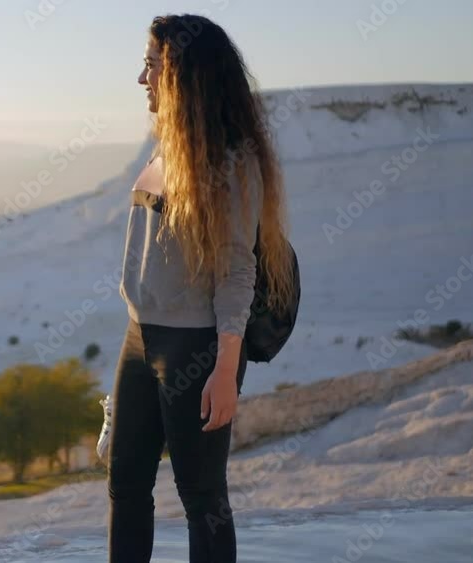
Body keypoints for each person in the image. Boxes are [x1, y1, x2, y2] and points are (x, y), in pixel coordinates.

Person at [104, 14, 296, 563]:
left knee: (202, 497)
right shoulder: (167, 146)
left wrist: (224, 370)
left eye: (152, 66)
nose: (142, 79)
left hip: (198, 346)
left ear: (184, 75)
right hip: (140, 338)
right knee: (125, 485)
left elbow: (238, 269)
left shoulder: (232, 163)